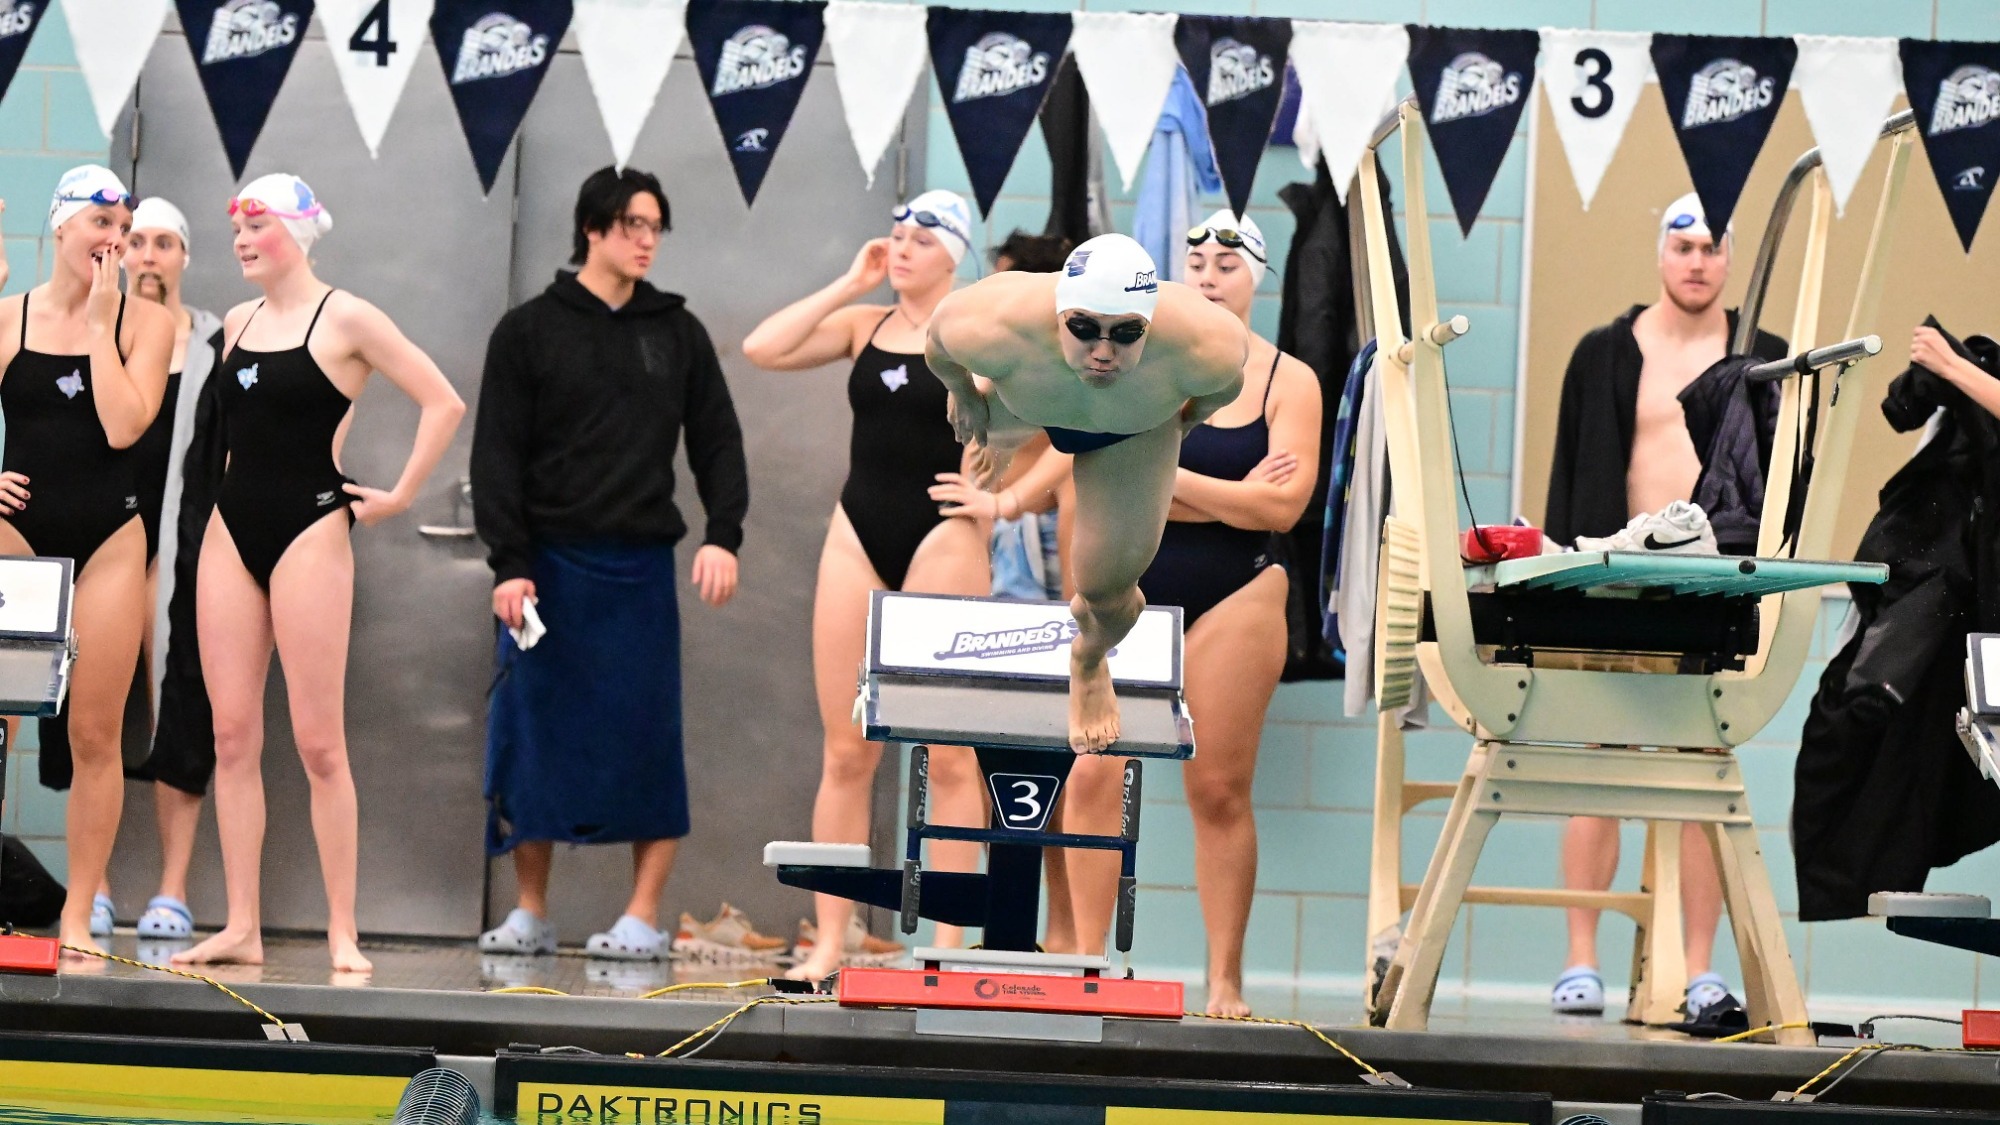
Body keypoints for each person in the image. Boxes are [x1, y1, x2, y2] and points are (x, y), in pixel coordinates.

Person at [175, 174, 465, 972]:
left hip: (311, 528)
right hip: (234, 530)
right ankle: (242, 924)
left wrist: (399, 496)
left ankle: (343, 927)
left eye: (255, 224)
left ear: (297, 233)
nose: (240, 239)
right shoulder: (236, 322)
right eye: (235, 226)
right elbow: (233, 443)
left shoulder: (349, 317)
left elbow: (442, 401)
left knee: (319, 743)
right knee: (232, 736)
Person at [1046, 215, 1320, 1015]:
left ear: (1258, 277)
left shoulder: (1286, 380)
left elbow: (1285, 506)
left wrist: (1162, 482)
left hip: (1239, 592)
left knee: (1219, 789)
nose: (1207, 274)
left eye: (1227, 262)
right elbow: (1086, 479)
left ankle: (1225, 980)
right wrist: (1230, 497)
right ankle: (1090, 966)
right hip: (1133, 585)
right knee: (1093, 772)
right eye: (1194, 260)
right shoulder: (1138, 360)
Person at [473, 166, 746, 962]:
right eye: (632, 224)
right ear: (591, 229)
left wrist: (723, 533)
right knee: (534, 732)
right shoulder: (527, 331)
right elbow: (498, 456)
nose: (646, 239)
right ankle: (530, 909)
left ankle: (641, 913)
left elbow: (719, 442)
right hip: (546, 572)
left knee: (646, 736)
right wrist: (509, 562)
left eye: (656, 226)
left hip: (638, 573)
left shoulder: (678, 332)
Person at [1542, 192, 1787, 1018]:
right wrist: (1559, 595)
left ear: (1729, 259)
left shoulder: (1767, 358)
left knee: (1700, 775)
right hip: (1615, 583)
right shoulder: (1602, 354)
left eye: (1712, 247)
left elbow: (1789, 487)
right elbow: (1569, 478)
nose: (1696, 261)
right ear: (1660, 253)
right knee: (1597, 764)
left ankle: (1696, 967)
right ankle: (1580, 959)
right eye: (1682, 244)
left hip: (1713, 591)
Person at [741, 189, 991, 983]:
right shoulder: (864, 326)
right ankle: (828, 943)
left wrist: (1005, 499)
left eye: (921, 237)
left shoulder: (981, 339)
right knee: (846, 751)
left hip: (946, 539)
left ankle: (950, 947)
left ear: (955, 252)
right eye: (896, 234)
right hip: (857, 532)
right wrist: (849, 283)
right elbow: (761, 347)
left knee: (950, 756)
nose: (903, 246)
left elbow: (1067, 429)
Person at [925, 233, 1248, 754]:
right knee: (988, 423)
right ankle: (1004, 435)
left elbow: (1226, 386)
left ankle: (1090, 658)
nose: (1102, 353)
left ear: (1149, 323)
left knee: (1106, 593)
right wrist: (962, 392)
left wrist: (1185, 422)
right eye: (1083, 329)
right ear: (1059, 312)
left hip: (1132, 432)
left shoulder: (1203, 344)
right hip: (1030, 398)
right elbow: (937, 348)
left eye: (1125, 334)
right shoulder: (993, 321)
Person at [0, 166, 174, 956]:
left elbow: (123, 426)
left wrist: (105, 320)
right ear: (61, 226)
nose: (116, 241)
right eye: (102, 222)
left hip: (111, 540)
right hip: (18, 537)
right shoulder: (8, 319)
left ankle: (77, 915)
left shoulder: (144, 321)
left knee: (94, 734)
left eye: (125, 227)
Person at [122, 197, 227, 943]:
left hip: (186, 554)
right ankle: (90, 887)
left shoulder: (218, 343)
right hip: (105, 546)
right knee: (88, 721)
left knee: (182, 711)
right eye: (137, 242)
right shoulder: (97, 335)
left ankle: (170, 888)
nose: (150, 255)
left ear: (185, 256)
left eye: (164, 242)